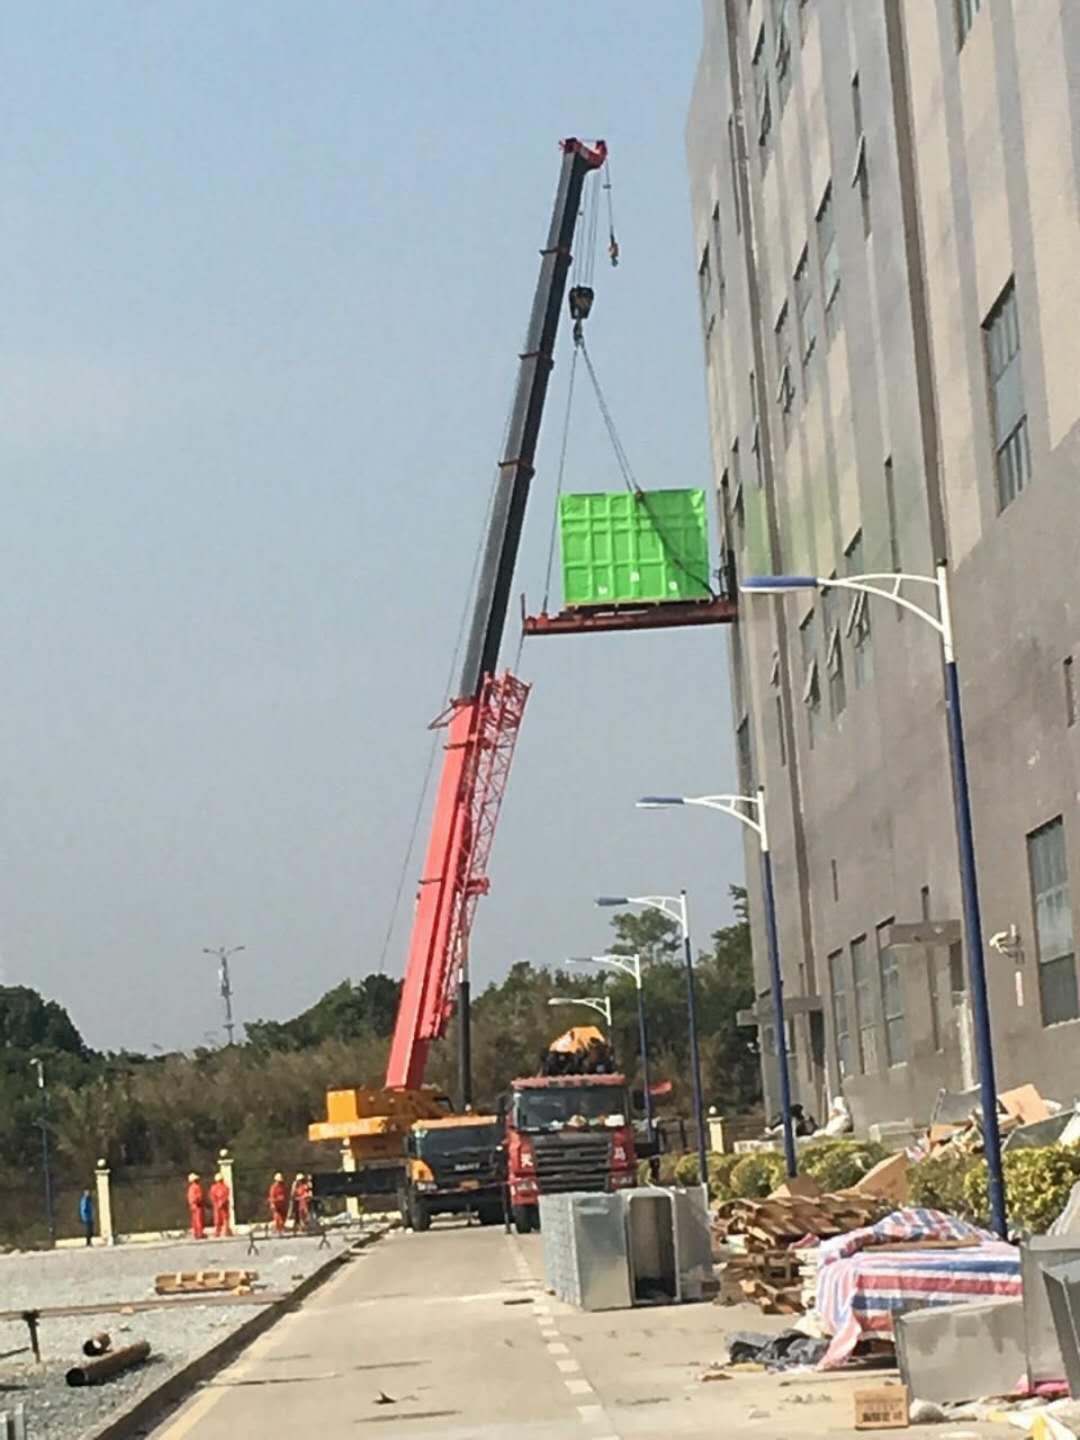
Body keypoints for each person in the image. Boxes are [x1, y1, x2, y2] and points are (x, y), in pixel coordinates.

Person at [209, 1172, 232, 1238]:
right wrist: (220, 1202)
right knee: (223, 1219)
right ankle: (223, 1232)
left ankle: (220, 1232)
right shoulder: (224, 1187)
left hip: (220, 1205)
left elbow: (212, 1196)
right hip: (221, 1205)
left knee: (220, 1219)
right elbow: (214, 1196)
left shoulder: (215, 1187)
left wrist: (218, 1202)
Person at [186, 1172, 206, 1240]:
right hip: (198, 1206)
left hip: (192, 1206)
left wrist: (192, 1204)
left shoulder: (190, 1188)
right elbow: (199, 1197)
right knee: (199, 1220)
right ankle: (199, 1234)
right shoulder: (197, 1187)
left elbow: (189, 1197)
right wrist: (198, 1202)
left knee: (194, 1220)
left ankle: (195, 1233)